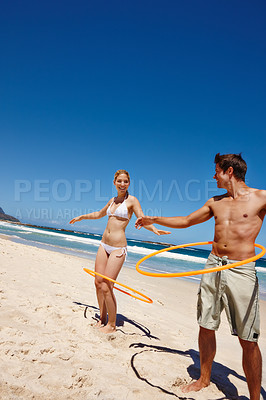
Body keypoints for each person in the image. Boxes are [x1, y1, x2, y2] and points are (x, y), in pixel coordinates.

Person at [135, 153, 266, 400]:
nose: (213, 175)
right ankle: (204, 379)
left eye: (215, 171)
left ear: (228, 171)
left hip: (241, 269)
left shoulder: (261, 197)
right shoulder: (215, 202)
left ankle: (255, 397)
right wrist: (153, 218)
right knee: (206, 325)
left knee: (248, 338)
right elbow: (186, 221)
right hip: (213, 265)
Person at [70, 169, 170, 334]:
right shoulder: (112, 200)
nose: (122, 184)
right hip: (104, 244)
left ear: (129, 183)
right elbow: (99, 214)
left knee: (107, 286)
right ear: (115, 182)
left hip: (118, 247)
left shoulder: (132, 201)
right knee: (98, 283)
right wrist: (82, 217)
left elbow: (142, 219)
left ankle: (112, 324)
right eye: (120, 181)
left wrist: (155, 230)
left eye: (126, 181)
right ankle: (102, 318)